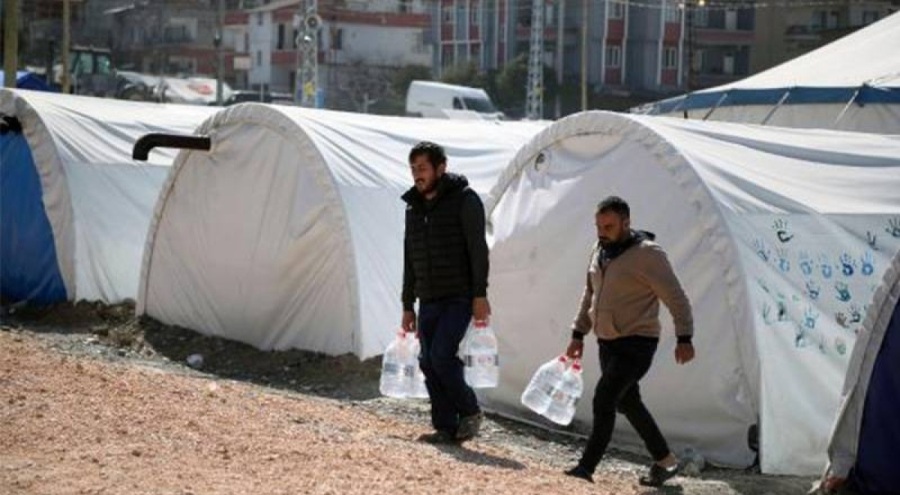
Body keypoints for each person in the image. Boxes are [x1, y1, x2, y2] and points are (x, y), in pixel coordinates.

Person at [563, 196, 695, 487]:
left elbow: (676, 297)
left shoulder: (648, 255)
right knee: (628, 401)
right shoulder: (599, 250)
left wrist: (684, 336)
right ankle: (665, 461)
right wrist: (578, 334)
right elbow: (590, 295)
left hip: (638, 341)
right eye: (598, 225)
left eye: (608, 226)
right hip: (607, 341)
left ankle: (586, 467)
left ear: (626, 222)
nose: (601, 231)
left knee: (604, 398)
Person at [400, 141, 490, 444]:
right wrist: (407, 304)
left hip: (459, 295)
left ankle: (470, 411)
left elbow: (478, 251)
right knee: (427, 360)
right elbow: (409, 257)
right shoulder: (413, 207)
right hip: (428, 296)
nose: (417, 175)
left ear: (441, 168)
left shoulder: (465, 200)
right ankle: (445, 427)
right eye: (413, 169)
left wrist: (480, 295)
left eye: (422, 168)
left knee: (441, 354)